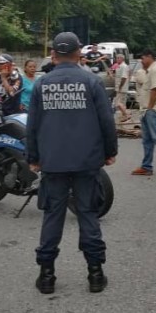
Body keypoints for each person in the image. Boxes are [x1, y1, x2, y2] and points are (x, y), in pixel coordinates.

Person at [26, 32, 117, 295]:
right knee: (87, 213)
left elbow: (33, 125)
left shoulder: (42, 84)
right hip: (86, 160)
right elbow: (106, 122)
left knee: (53, 214)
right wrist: (110, 151)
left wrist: (33, 157)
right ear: (79, 54)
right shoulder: (92, 81)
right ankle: (95, 274)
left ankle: (46, 276)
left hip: (53, 161)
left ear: (53, 55)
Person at [112, 54, 131, 122]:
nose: (116, 59)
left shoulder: (124, 66)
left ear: (122, 59)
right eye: (116, 58)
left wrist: (120, 87)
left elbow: (124, 77)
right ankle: (124, 116)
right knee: (122, 103)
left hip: (122, 88)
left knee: (117, 103)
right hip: (119, 87)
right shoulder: (119, 66)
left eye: (118, 58)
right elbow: (116, 76)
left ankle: (126, 115)